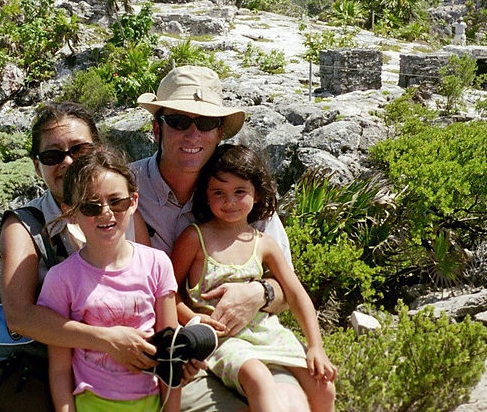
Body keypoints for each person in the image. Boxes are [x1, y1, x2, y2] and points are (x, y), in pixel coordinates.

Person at [130, 65, 301, 410]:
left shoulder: (240, 192)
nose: (192, 134)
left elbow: (286, 288)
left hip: (252, 343)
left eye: (205, 123)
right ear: (156, 129)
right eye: (178, 121)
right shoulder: (125, 191)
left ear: (220, 132)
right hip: (166, 350)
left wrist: (258, 292)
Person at [0, 102, 156, 412]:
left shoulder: (123, 211)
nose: (68, 161)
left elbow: (149, 287)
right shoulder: (24, 226)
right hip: (40, 376)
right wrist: (107, 340)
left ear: (97, 151)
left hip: (121, 379)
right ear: (37, 166)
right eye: (52, 155)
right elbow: (20, 315)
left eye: (79, 150)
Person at [172, 144, 337, 412]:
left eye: (240, 192)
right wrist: (191, 319)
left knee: (324, 387)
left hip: (267, 332)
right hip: (224, 340)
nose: (230, 202)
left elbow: (295, 294)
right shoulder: (194, 238)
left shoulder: (265, 244)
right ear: (205, 195)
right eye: (219, 193)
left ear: (257, 194)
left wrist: (315, 346)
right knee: (259, 379)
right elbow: (169, 291)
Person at [38, 147, 181, 412]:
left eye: (117, 202)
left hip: (150, 401)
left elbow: (170, 353)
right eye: (91, 206)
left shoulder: (158, 264)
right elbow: (59, 368)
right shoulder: (61, 279)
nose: (106, 213)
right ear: (71, 212)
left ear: (133, 201)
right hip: (91, 404)